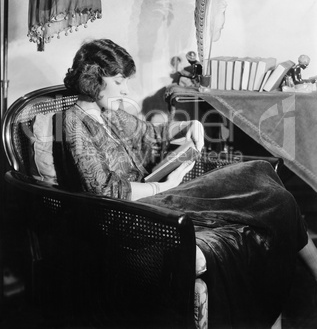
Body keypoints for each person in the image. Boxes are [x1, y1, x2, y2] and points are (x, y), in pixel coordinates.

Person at [61, 38, 317, 328]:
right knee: (257, 173)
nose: (126, 90)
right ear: (94, 77)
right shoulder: (74, 122)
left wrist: (187, 125)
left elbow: (151, 133)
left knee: (267, 180)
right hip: (131, 214)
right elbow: (105, 191)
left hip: (155, 197)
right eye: (119, 81)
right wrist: (166, 186)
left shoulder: (111, 113)